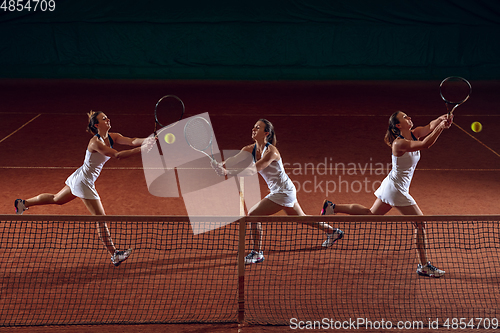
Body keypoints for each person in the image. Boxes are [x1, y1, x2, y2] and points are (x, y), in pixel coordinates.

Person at [321, 111, 452, 278]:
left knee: (370, 214)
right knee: (420, 223)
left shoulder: (414, 133)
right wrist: (441, 127)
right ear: (398, 125)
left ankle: (332, 207)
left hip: (393, 185)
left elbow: (429, 127)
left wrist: (441, 119)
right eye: (405, 117)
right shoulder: (399, 144)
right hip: (396, 189)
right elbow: (426, 144)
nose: (409, 118)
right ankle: (424, 266)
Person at [14, 111, 152, 267]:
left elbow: (133, 141)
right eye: (104, 118)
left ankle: (22, 203)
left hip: (80, 176)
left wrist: (147, 140)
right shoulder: (95, 143)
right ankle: (115, 254)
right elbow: (118, 155)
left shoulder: (113, 136)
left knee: (56, 199)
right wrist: (142, 149)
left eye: (107, 117)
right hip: (84, 182)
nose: (108, 119)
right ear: (97, 125)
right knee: (101, 219)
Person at [213, 119, 344, 265]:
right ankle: (333, 232)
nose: (253, 129)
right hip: (285, 189)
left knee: (253, 215)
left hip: (283, 192)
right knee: (302, 218)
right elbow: (234, 159)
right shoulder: (249, 149)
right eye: (254, 127)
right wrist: (222, 164)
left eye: (258, 128)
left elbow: (253, 169)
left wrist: (227, 172)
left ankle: (257, 254)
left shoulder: (271, 152)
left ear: (266, 133)